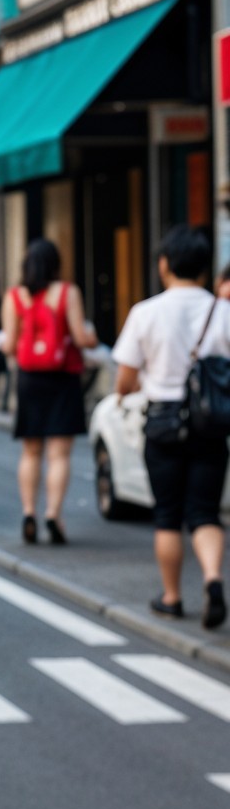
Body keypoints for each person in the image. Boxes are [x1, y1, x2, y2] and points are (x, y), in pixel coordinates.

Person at [112, 225, 230, 629]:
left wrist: (133, 389)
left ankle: (172, 596)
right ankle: (213, 579)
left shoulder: (145, 313)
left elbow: (125, 380)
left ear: (164, 265)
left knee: (168, 514)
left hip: (162, 422)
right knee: (204, 512)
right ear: (203, 267)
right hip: (211, 425)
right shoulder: (224, 312)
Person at [2, 239, 97, 545]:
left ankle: (29, 511)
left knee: (30, 451)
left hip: (29, 379)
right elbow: (81, 338)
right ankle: (53, 514)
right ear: (56, 264)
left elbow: (8, 345)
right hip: (62, 378)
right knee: (59, 454)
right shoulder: (68, 293)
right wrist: (92, 339)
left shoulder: (14, 297)